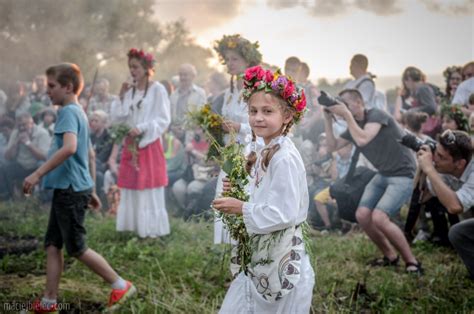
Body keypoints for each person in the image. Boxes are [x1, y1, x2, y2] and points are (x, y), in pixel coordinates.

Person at [22, 63, 136, 313]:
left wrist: (38, 173)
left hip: (71, 189)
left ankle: (121, 285)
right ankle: (49, 302)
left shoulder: (67, 113)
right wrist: (92, 189)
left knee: (76, 247)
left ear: (68, 86)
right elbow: (91, 154)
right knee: (53, 244)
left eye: (52, 86)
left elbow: (71, 148)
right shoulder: (78, 112)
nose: (47, 91)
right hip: (73, 187)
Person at [213, 65, 314, 313]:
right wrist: (239, 189)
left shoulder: (284, 158)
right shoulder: (264, 148)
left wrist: (242, 208)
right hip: (261, 254)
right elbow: (263, 193)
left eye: (267, 111)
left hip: (280, 256)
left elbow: (283, 213)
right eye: (253, 111)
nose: (258, 118)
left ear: (287, 116)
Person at [323, 88, 423, 274]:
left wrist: (345, 114)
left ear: (360, 103)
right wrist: (328, 119)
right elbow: (332, 146)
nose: (343, 107)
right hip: (384, 173)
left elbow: (363, 139)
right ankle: (390, 256)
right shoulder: (354, 126)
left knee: (379, 217)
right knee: (362, 215)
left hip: (403, 174)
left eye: (346, 103)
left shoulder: (377, 115)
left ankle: (412, 263)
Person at [110, 48, 171, 238]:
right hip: (131, 144)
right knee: (132, 184)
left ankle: (151, 230)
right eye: (130, 67)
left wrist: (143, 127)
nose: (132, 71)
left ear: (146, 68)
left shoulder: (158, 89)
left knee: (147, 185)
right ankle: (133, 227)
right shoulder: (130, 91)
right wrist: (120, 96)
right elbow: (119, 118)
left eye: (136, 67)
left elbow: (164, 118)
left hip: (148, 143)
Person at [212, 34, 262, 243]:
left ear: (248, 61)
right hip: (231, 153)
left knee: (244, 199)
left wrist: (239, 127)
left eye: (235, 59)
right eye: (227, 59)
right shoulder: (229, 93)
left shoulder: (256, 89)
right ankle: (236, 259)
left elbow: (263, 123)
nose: (230, 64)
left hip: (250, 153)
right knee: (228, 197)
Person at [416, 130, 474, 278]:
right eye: (436, 152)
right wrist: (423, 169)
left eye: (441, 157)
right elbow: (422, 197)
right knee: (458, 232)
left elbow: (454, 207)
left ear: (460, 164)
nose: (435, 159)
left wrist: (430, 169)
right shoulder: (445, 169)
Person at [0, 112, 51, 200]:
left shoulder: (42, 133)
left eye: (24, 125)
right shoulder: (16, 133)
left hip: (36, 166)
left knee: (42, 165)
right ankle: (8, 197)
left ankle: (44, 199)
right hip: (21, 165)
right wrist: (15, 144)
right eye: (19, 125)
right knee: (4, 167)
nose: (21, 128)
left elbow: (44, 157)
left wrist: (28, 143)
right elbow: (7, 157)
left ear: (31, 123)